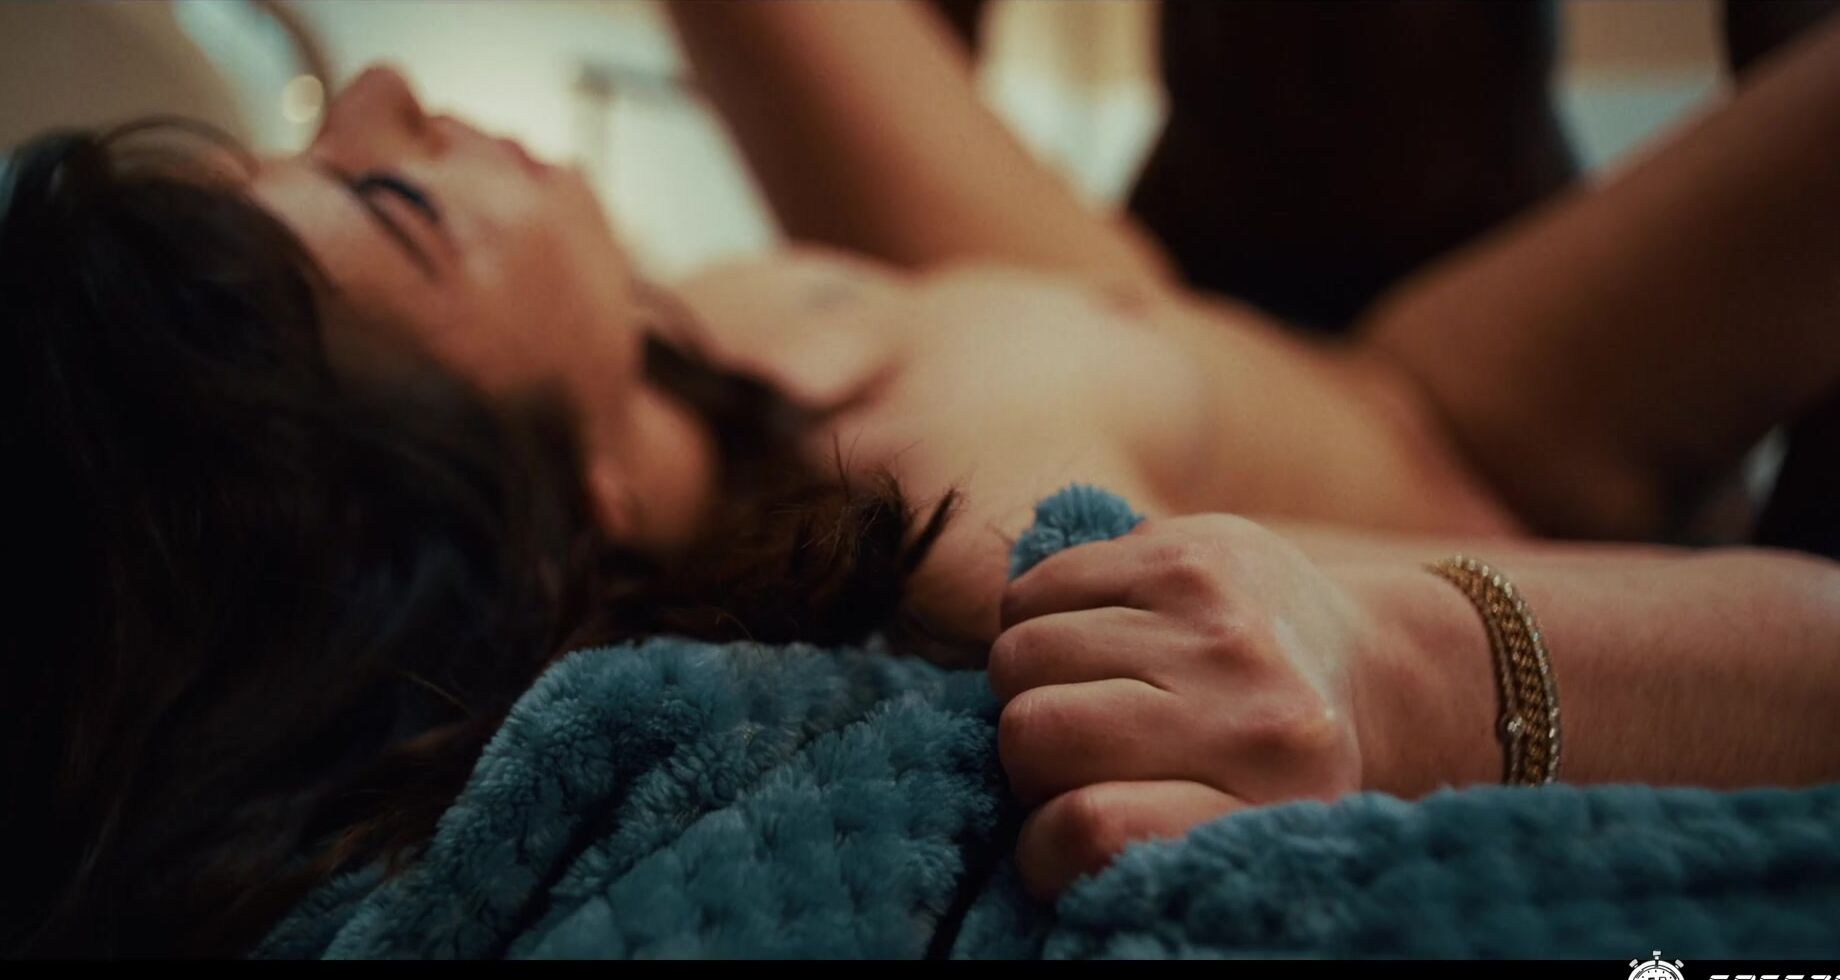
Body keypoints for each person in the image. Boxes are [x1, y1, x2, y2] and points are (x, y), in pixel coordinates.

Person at [5, 0, 1840, 956]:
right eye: (395, 200)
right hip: (1486, 434)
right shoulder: (973, 520)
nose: (386, 88)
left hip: (1179, 317)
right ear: (560, 500)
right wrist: (1409, 673)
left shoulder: (698, 325)